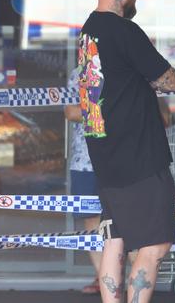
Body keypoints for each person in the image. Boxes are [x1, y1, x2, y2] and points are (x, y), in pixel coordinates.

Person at [77, 0, 175, 303]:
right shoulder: (124, 31)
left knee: (115, 237)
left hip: (106, 156)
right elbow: (169, 80)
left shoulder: (87, 32)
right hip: (138, 158)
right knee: (154, 244)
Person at [65, 67, 101, 295]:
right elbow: (71, 112)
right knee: (91, 219)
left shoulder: (132, 66)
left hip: (126, 160)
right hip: (85, 159)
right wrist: (110, 109)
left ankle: (128, 276)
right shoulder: (80, 73)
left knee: (127, 219)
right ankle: (105, 277)